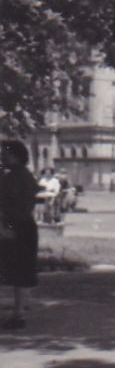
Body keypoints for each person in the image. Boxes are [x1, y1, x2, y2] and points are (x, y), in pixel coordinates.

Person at [0, 140, 39, 329]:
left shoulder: (11, 178)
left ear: (15, 155)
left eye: (6, 154)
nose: (2, 157)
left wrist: (5, 227)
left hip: (13, 226)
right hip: (27, 226)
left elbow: (9, 207)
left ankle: (18, 313)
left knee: (15, 269)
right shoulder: (27, 176)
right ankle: (21, 309)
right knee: (23, 269)